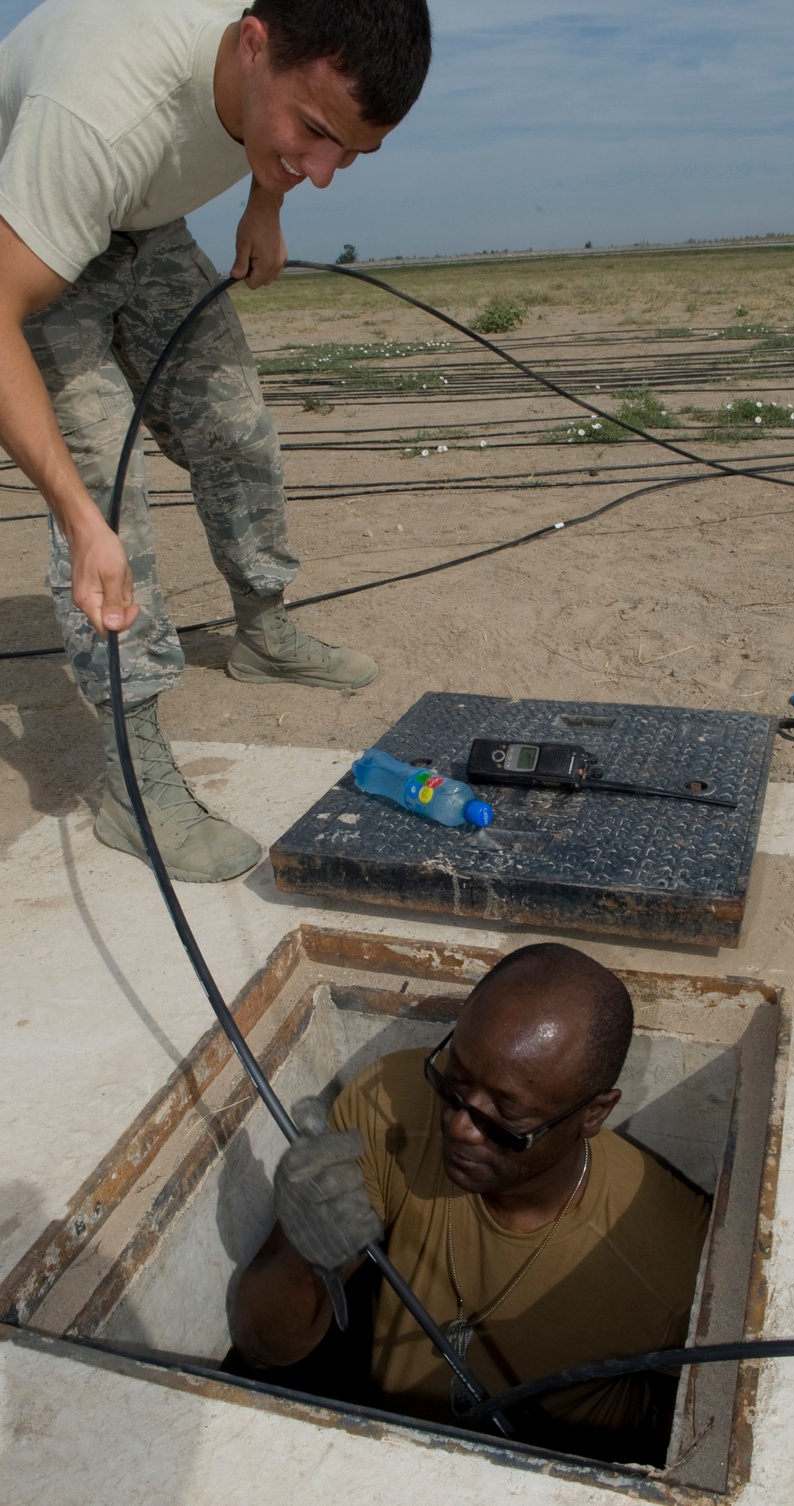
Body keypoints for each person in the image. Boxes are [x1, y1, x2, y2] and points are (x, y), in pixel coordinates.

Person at [0, 0, 432, 881]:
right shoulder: (97, 115)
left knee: (233, 422)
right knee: (105, 489)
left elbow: (292, 135)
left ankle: (264, 632)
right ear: (252, 44)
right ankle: (135, 776)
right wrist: (80, 519)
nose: (323, 171)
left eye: (348, 151)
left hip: (142, 221)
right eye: (312, 133)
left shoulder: (277, 51)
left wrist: (264, 205)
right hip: (24, 219)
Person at [233, 943, 710, 1465]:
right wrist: (307, 1254)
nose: (459, 1126)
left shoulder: (676, 1259)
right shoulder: (389, 1110)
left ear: (592, 1114)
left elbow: (695, 1447)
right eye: (455, 1082)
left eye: (505, 1115)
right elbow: (263, 1350)